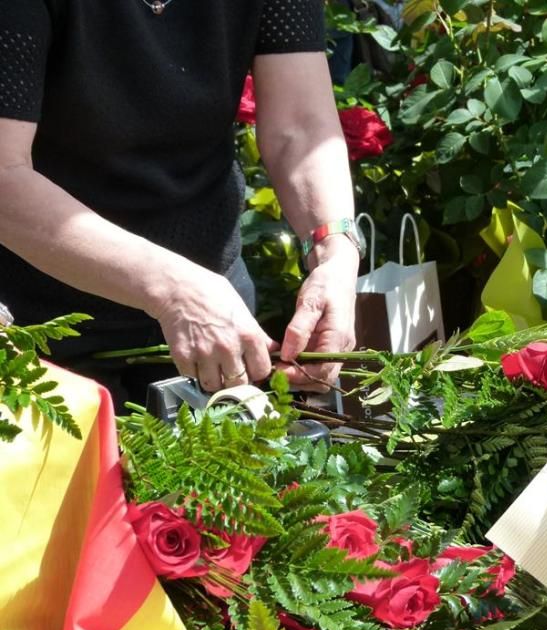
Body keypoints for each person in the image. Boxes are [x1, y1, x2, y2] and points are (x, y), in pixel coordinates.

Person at [0, 0, 359, 405]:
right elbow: (4, 175)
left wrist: (336, 254)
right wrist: (174, 291)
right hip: (40, 330)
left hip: (217, 315)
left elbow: (301, 127)